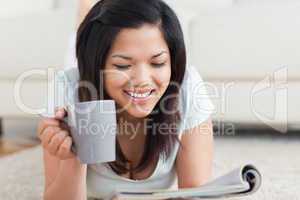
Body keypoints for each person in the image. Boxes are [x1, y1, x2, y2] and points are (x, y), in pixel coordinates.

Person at [37, 0, 215, 199]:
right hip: (89, 82)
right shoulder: (67, 89)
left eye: (158, 62)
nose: (142, 80)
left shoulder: (187, 86)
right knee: (85, 33)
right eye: (122, 65)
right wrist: (72, 156)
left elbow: (195, 192)